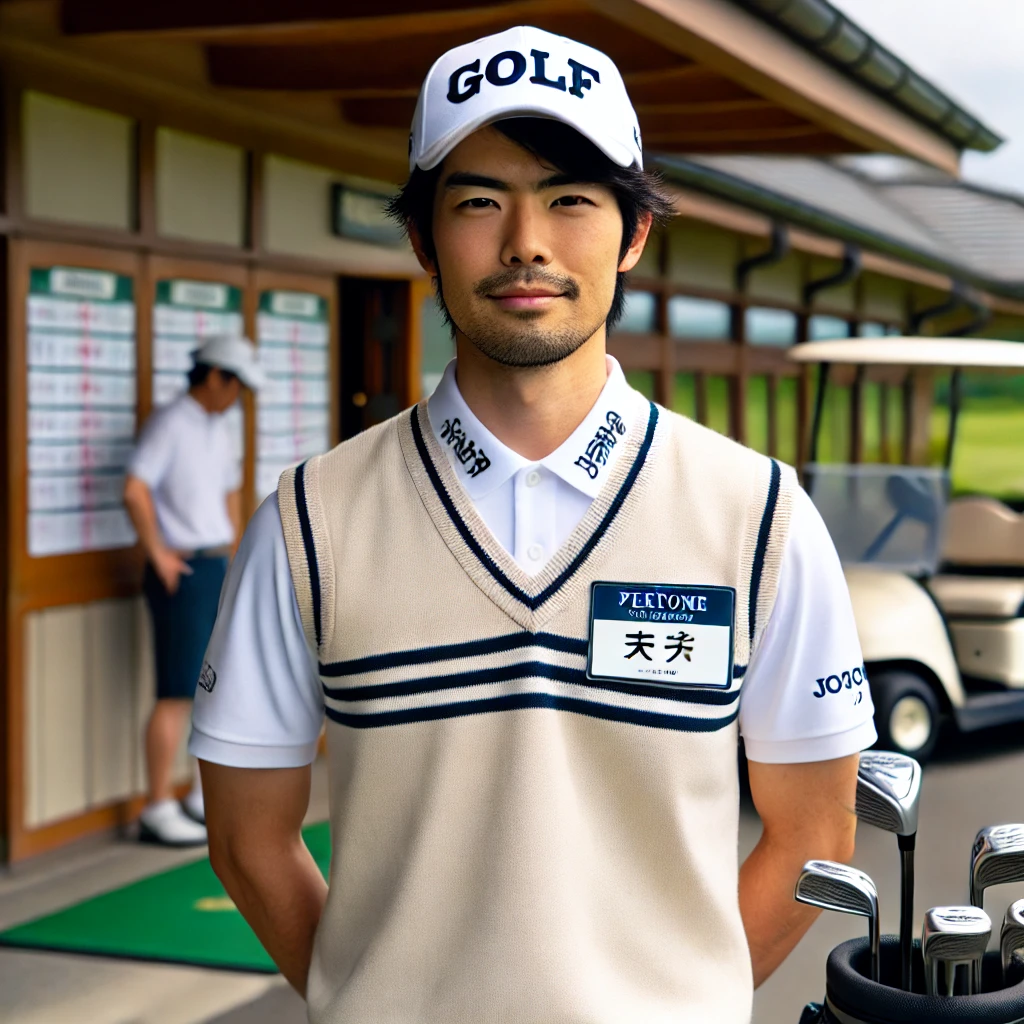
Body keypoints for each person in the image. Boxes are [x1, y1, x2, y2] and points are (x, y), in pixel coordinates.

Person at [191, 26, 877, 1023]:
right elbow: (247, 837)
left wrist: (685, 996)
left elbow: (815, 829)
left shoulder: (757, 513)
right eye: (477, 201)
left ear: (633, 232)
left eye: (570, 198)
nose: (526, 241)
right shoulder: (310, 520)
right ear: (423, 237)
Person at [124, 335, 265, 846]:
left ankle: (193, 793)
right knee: (177, 689)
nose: (237, 398)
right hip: (180, 570)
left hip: (213, 565)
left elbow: (229, 492)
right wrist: (158, 552)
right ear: (213, 376)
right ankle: (157, 804)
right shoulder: (171, 423)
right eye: (235, 386)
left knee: (210, 684)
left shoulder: (216, 426)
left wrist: (236, 552)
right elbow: (135, 488)